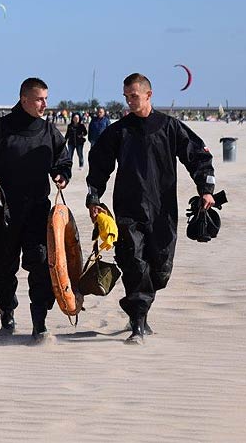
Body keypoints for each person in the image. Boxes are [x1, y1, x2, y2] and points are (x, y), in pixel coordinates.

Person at [85, 73, 215, 344]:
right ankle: (139, 322)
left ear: (148, 95)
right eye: (126, 96)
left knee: (160, 271)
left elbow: (198, 156)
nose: (130, 101)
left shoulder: (169, 127)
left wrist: (206, 189)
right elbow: (99, 166)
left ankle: (137, 307)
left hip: (163, 211)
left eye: (134, 95)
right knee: (133, 263)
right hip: (127, 211)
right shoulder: (118, 131)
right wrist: (94, 198)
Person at [0, 78, 72, 341]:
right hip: (4, 211)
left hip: (37, 211)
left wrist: (62, 175)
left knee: (42, 265)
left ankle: (39, 323)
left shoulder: (49, 132)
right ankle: (7, 315)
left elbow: (62, 160)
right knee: (3, 269)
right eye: (39, 99)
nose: (44, 104)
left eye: (46, 98)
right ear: (23, 99)